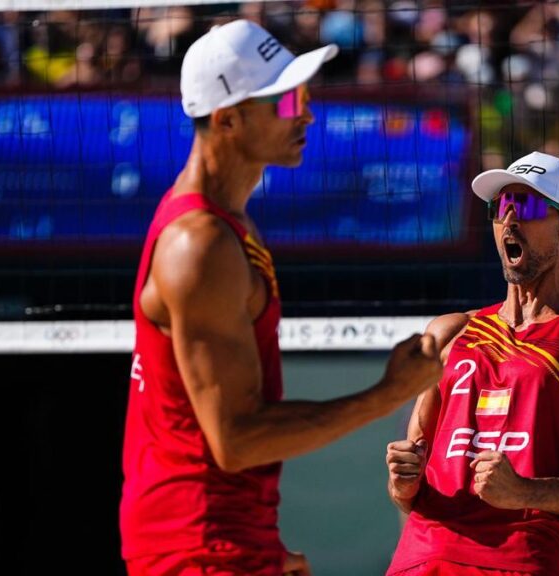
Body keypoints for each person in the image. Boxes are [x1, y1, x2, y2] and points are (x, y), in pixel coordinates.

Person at [120, 20, 443, 576]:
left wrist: (263, 547)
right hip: (198, 547)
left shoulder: (227, 223)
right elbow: (236, 442)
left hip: (223, 538)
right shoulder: (198, 245)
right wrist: (387, 395)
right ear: (228, 119)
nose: (308, 113)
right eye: (289, 99)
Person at [385, 151, 559, 576]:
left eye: (525, 206)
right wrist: (402, 479)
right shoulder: (450, 332)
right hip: (423, 557)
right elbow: (407, 490)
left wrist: (525, 491)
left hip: (518, 561)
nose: (508, 219)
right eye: (499, 207)